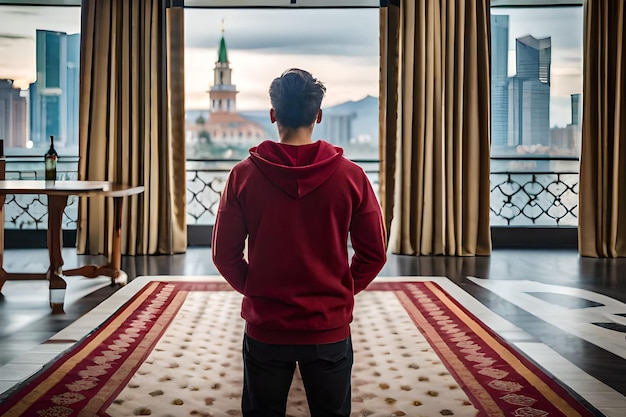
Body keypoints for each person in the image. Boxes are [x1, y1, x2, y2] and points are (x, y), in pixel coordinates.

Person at [211, 68, 387, 417]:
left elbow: (223, 255)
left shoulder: (242, 176)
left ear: (273, 114)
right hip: (328, 327)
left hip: (266, 326)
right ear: (318, 116)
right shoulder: (352, 177)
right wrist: (340, 291)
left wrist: (257, 289)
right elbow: (374, 254)